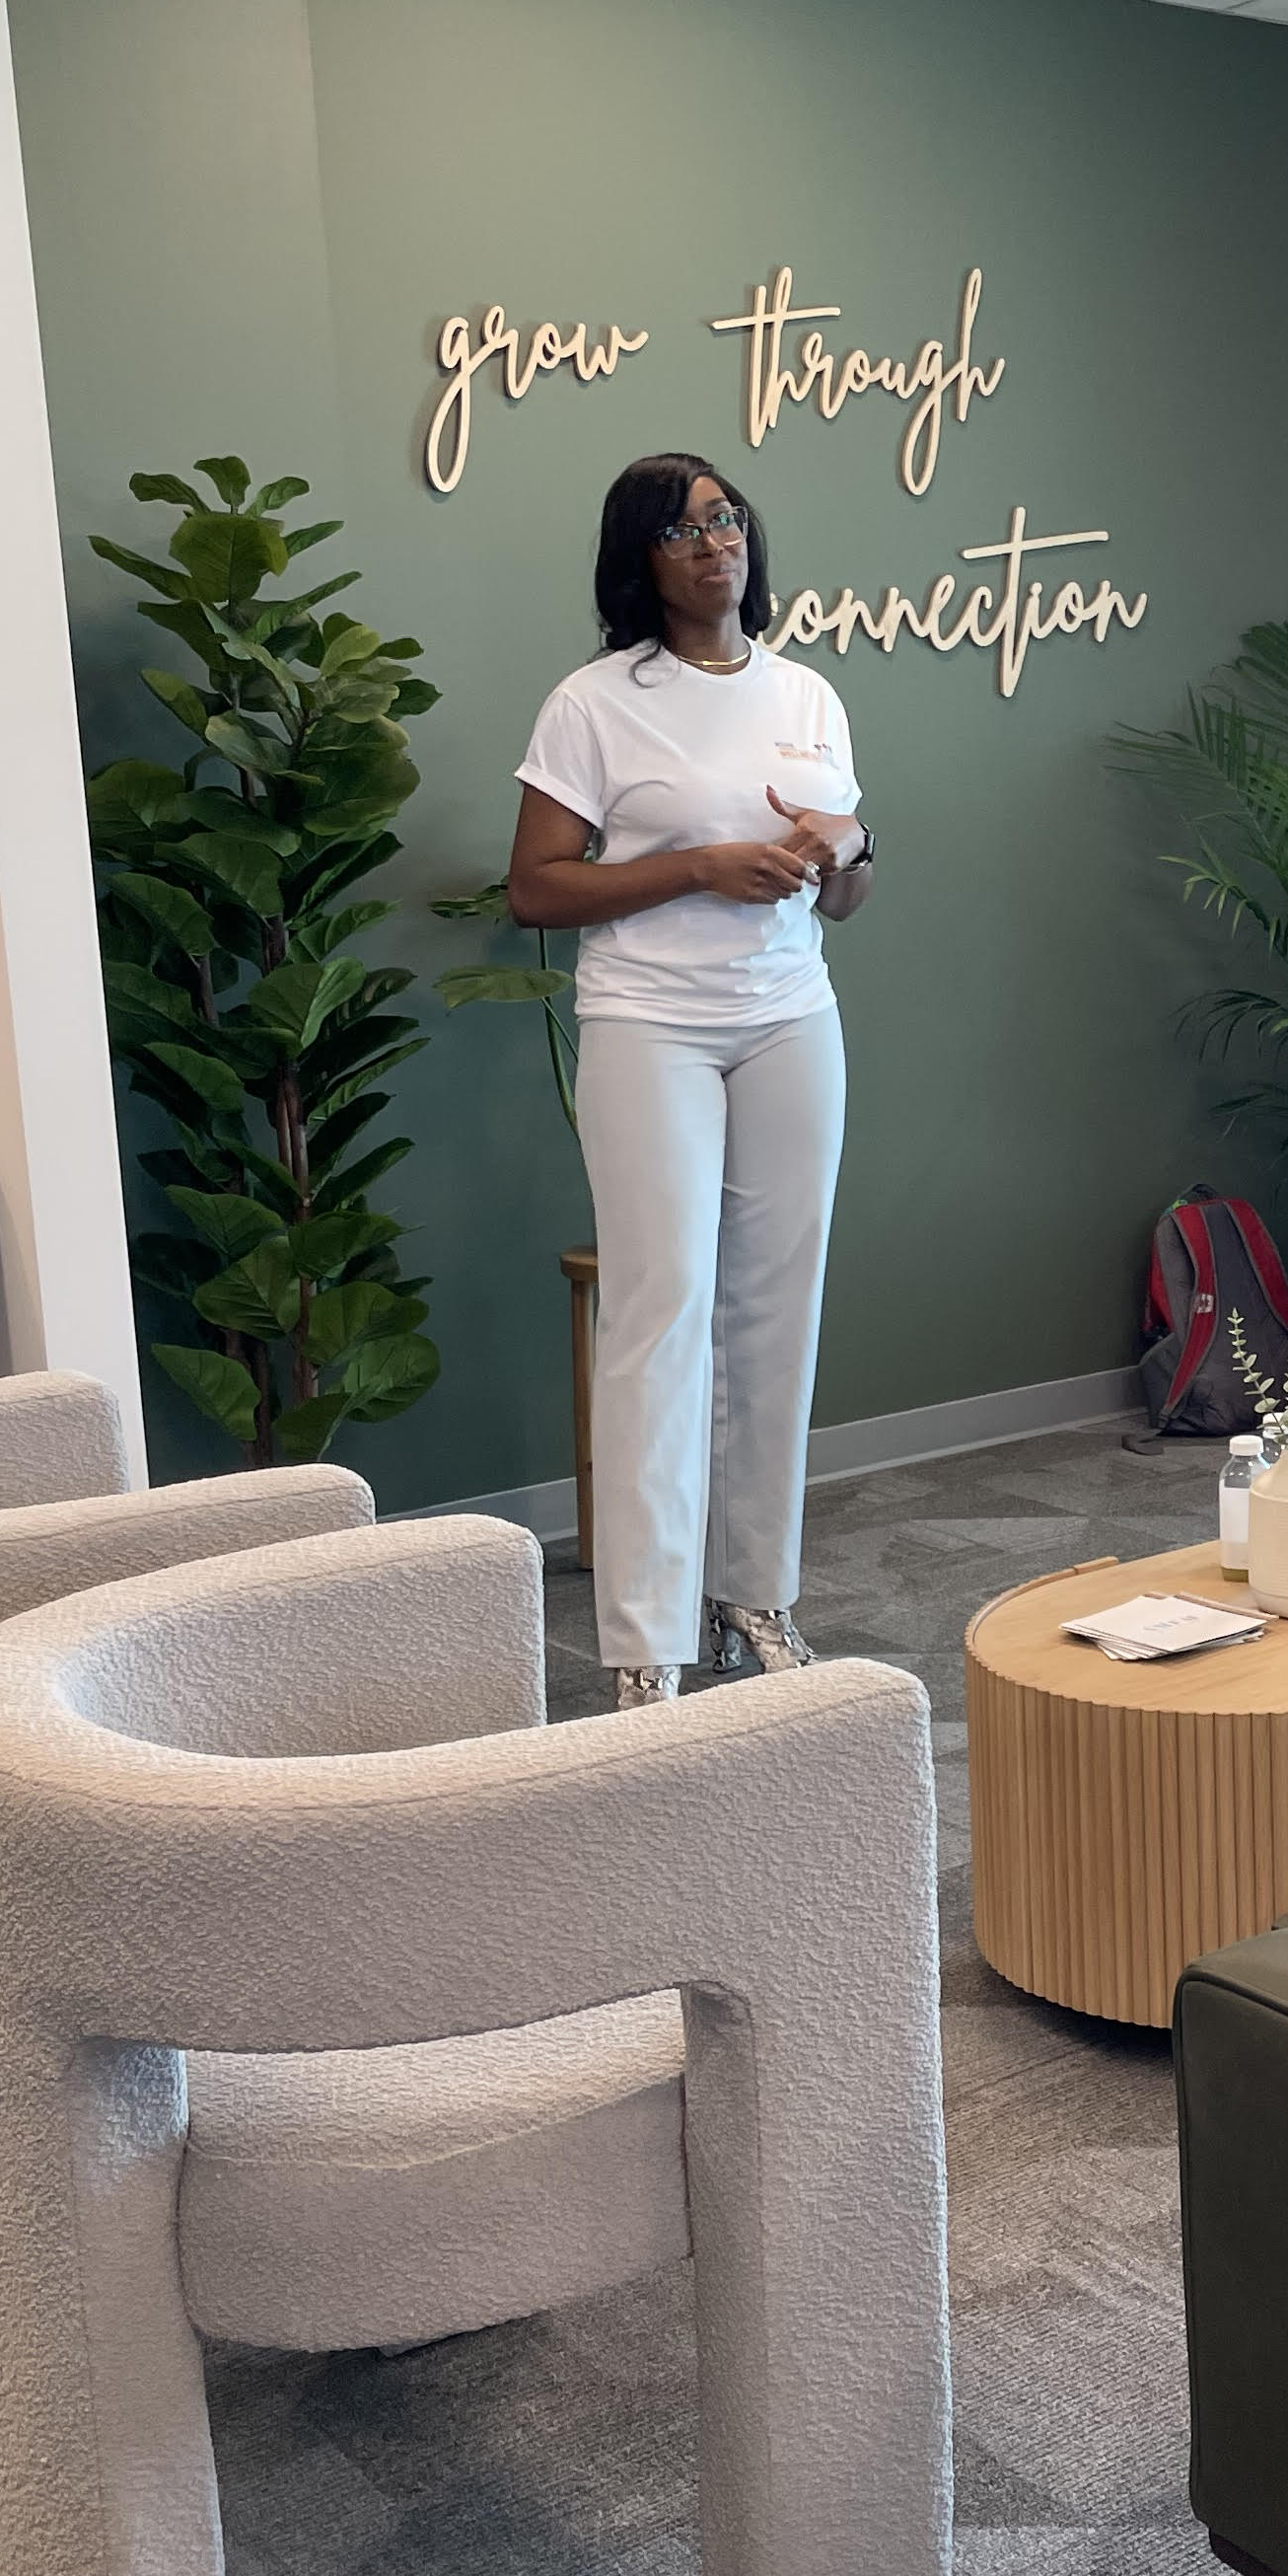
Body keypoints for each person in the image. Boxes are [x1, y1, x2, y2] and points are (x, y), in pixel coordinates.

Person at [508, 453, 873, 1706]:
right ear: (641, 562)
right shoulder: (595, 703)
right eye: (681, 529)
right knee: (661, 1317)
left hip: (790, 1020)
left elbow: (856, 889)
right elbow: (536, 890)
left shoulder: (811, 695)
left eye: (726, 519)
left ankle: (752, 1599)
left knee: (781, 1309)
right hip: (649, 1026)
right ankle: (644, 1644)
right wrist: (697, 866)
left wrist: (849, 851)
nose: (715, 543)